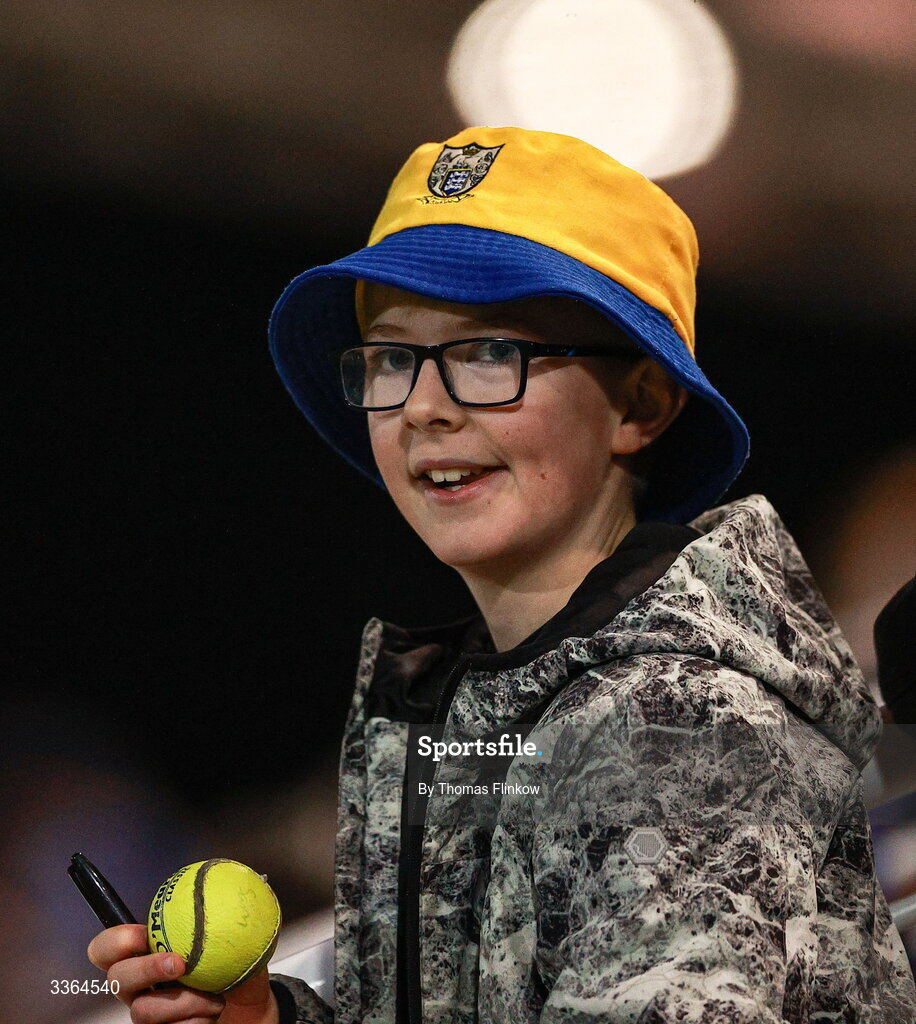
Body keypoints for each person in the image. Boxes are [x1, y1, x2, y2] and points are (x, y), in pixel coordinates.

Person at [87, 126, 916, 1022]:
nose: (426, 409)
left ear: (640, 403)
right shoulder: (520, 705)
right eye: (395, 358)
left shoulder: (676, 728)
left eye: (490, 353)